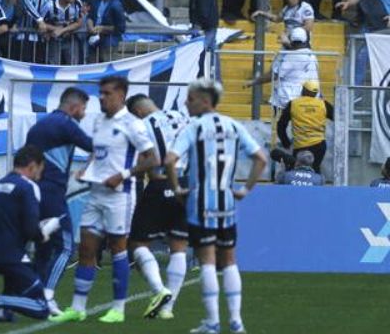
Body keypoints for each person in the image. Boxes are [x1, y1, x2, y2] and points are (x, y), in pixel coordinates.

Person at [50, 75, 158, 324]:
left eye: (107, 93)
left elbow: (152, 158)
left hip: (120, 196)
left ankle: (118, 309)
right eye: (100, 93)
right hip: (96, 193)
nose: (101, 97)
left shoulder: (133, 124)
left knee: (118, 248)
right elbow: (97, 152)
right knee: (86, 248)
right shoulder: (98, 120)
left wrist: (123, 174)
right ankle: (78, 307)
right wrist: (86, 169)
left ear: (121, 95)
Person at [166, 77, 268, 334]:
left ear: (204, 100)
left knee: (208, 262)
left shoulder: (195, 127)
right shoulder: (233, 125)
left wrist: (177, 188)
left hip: (201, 204)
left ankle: (212, 323)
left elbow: (170, 159)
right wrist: (245, 189)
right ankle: (236, 321)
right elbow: (261, 158)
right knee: (230, 260)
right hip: (227, 204)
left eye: (190, 99)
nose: (187, 104)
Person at [24, 88, 93, 315]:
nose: (83, 114)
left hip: (34, 191)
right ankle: (47, 296)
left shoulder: (39, 126)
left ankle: (29, 297)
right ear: (73, 107)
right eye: (83, 109)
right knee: (65, 247)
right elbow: (96, 147)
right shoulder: (66, 124)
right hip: (52, 193)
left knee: (43, 248)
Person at [125, 95, 190, 321]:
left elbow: (147, 160)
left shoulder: (142, 125)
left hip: (160, 182)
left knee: (138, 244)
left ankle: (158, 289)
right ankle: (167, 309)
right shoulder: (183, 117)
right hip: (186, 184)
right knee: (179, 246)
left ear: (139, 111)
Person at [0, 145, 52, 323]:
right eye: (40, 170)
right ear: (32, 166)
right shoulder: (27, 187)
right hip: (11, 255)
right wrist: (43, 235)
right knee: (42, 307)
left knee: (16, 275)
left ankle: (4, 311)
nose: (39, 176)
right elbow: (30, 228)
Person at [275, 79, 333, 168]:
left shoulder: (293, 104)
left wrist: (286, 143)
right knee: (315, 170)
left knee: (297, 169)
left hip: (300, 146)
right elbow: (339, 118)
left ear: (304, 90)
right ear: (315, 93)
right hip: (319, 145)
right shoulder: (323, 104)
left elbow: (281, 125)